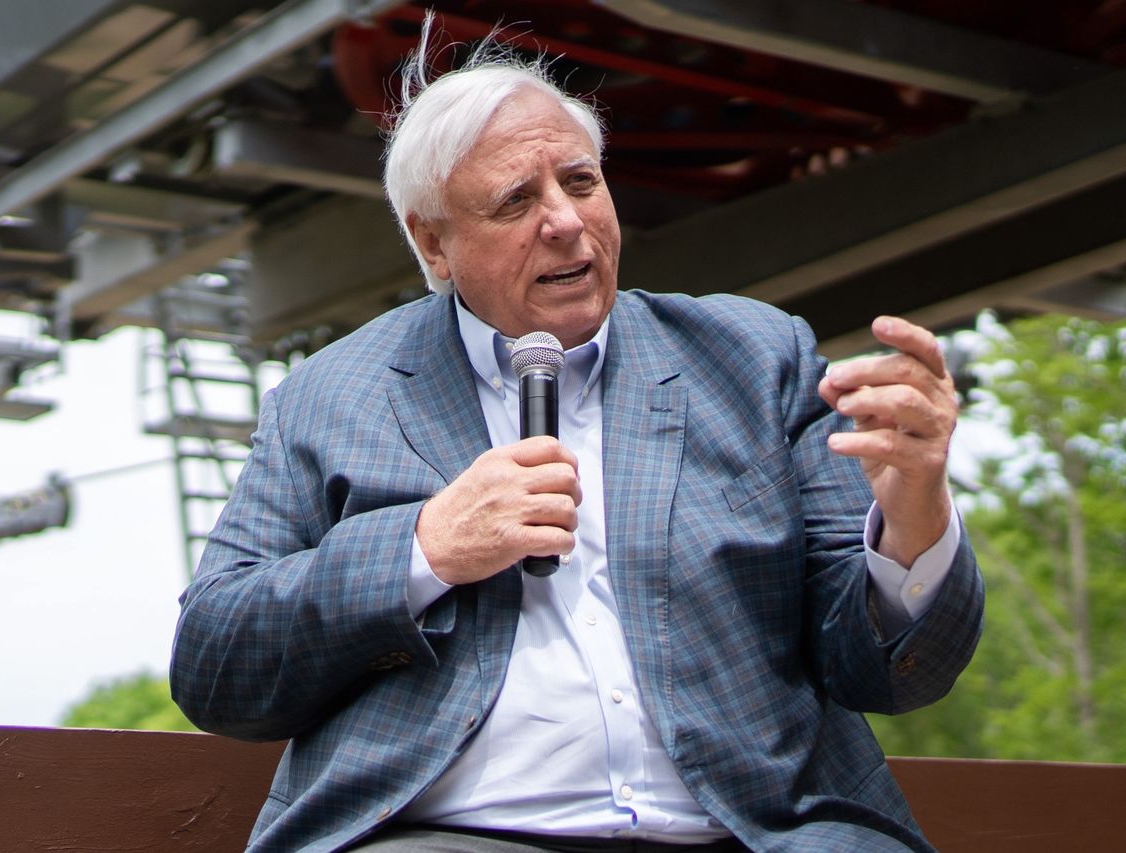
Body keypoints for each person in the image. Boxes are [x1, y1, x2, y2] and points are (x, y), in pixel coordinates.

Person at [170, 23, 983, 853]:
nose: (565, 221)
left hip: (753, 831)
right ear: (433, 243)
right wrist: (425, 548)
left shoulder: (753, 357)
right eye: (516, 201)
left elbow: (884, 669)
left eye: (581, 181)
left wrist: (914, 511)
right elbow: (215, 664)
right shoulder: (330, 397)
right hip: (458, 834)